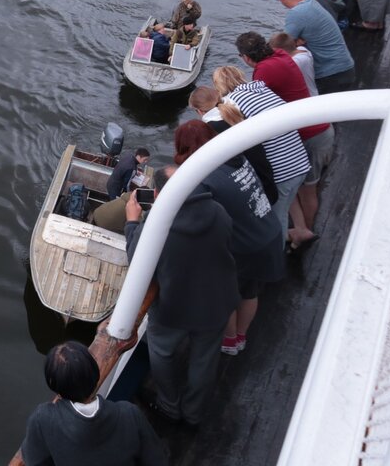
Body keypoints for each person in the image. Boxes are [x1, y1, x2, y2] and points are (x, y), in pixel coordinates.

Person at [125, 165, 238, 428]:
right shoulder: (218, 212)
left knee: (162, 353)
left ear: (157, 193)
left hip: (174, 309)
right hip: (217, 302)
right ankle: (194, 413)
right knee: (204, 361)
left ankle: (169, 405)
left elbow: (136, 260)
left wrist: (132, 221)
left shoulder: (157, 227)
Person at [172, 121, 284, 356]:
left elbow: (196, 218)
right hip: (267, 231)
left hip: (244, 247)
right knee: (250, 291)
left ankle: (229, 341)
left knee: (225, 297)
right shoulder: (236, 157)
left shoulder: (202, 176)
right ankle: (241, 336)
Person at [212, 66, 313, 249]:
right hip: (299, 160)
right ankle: (301, 230)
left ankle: (278, 256)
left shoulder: (232, 103)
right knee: (288, 198)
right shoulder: (262, 89)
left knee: (277, 216)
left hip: (282, 170)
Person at [20, 341, 166, 466]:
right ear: (96, 375)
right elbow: (156, 459)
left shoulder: (43, 419)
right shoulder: (129, 414)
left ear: (54, 385)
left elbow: (33, 460)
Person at [189, 86, 279, 206]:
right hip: (266, 178)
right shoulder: (236, 113)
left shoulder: (210, 129)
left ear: (199, 111)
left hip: (250, 190)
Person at [277, 0, 355, 93]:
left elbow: (282, 45)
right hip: (345, 67)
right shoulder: (312, 3)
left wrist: (293, 42)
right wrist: (295, 41)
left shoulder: (296, 13)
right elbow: (291, 41)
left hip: (331, 74)